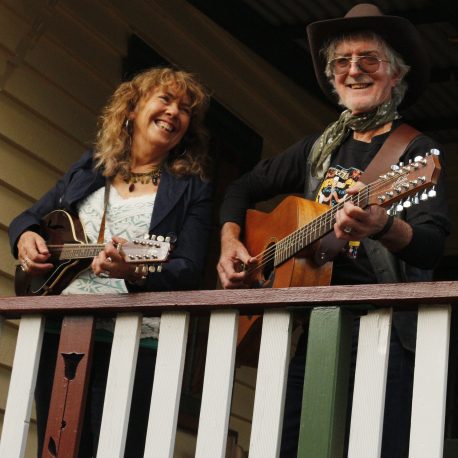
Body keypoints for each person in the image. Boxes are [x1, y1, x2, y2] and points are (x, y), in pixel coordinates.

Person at [217, 4, 450, 457]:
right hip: (316, 324)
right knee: (291, 446)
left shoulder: (415, 152)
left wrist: (383, 226)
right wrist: (230, 243)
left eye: (369, 60)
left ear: (395, 75)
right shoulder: (318, 149)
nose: (354, 71)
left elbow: (431, 246)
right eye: (342, 62)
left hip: (383, 329)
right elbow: (242, 188)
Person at [9, 67, 213, 457]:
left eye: (185, 109)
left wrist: (133, 272)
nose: (175, 112)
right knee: (55, 448)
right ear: (132, 109)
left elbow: (188, 268)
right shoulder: (90, 169)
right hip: (62, 330)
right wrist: (26, 237)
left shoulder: (192, 190)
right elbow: (28, 217)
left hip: (135, 340)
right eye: (165, 100)